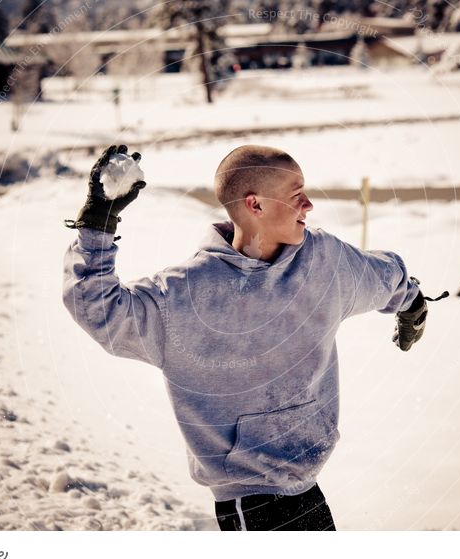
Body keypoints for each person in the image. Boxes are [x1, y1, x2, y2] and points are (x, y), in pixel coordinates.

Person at [62, 144, 429, 531]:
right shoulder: (185, 295)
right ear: (255, 205)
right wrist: (98, 223)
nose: (309, 205)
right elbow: (98, 308)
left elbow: (380, 275)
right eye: (296, 195)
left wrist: (412, 302)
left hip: (305, 486)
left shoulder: (323, 261)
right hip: (250, 501)